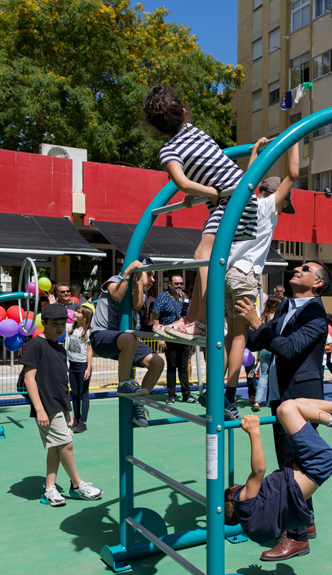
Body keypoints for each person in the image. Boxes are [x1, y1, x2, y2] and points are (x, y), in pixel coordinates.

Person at [143, 84, 260, 342]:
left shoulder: (169, 150)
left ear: (156, 128)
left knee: (202, 254)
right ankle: (193, 320)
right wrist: (203, 193)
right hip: (241, 198)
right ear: (184, 113)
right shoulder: (194, 131)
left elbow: (183, 182)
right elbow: (212, 165)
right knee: (202, 261)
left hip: (231, 200)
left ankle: (204, 322)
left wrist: (207, 191)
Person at [236, 260, 331, 561]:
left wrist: (256, 324)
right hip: (282, 397)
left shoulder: (315, 311)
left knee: (293, 468)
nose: (297, 269)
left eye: (306, 268)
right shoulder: (285, 306)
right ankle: (307, 521)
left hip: (300, 400)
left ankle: (297, 537)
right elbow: (259, 340)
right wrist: (241, 320)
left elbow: (288, 348)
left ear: (318, 283)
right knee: (295, 462)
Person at [225, 385, 332, 544]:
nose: (238, 486)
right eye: (233, 486)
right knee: (285, 409)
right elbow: (259, 470)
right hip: (315, 462)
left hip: (311, 467)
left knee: (298, 403)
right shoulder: (244, 502)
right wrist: (254, 431)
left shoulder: (253, 528)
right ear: (232, 495)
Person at [218, 139, 299, 420]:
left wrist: (253, 154)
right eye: (285, 201)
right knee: (240, 335)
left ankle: (217, 388)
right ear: (277, 195)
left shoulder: (244, 203)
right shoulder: (267, 209)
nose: (285, 206)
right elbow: (293, 175)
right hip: (245, 275)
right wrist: (295, 141)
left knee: (229, 335)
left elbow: (247, 181)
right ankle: (227, 395)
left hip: (226, 272)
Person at [20, 304, 103, 507]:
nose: (59, 327)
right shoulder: (35, 345)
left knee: (56, 448)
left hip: (61, 405)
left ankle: (49, 488)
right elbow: (29, 379)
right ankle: (77, 485)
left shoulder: (58, 346)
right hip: (47, 406)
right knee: (67, 444)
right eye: (54, 323)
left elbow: (61, 382)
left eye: (61, 323)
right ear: (44, 323)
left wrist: (69, 410)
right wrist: (39, 408)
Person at [88, 258, 165, 428]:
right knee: (130, 338)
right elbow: (116, 295)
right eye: (150, 274)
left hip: (124, 341)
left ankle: (139, 404)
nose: (153, 280)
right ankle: (124, 383)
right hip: (101, 336)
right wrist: (129, 273)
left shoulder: (141, 292)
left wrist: (138, 281)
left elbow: (136, 304)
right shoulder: (115, 280)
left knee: (158, 362)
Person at [150, 273, 197, 406]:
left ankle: (186, 394)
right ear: (169, 284)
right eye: (176, 284)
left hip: (182, 336)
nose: (179, 286)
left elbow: (187, 318)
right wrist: (160, 337)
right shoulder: (162, 297)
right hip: (168, 336)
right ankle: (171, 395)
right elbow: (155, 318)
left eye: (181, 284)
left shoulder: (185, 297)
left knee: (183, 367)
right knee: (171, 367)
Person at [65, 303, 96, 434]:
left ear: (85, 317)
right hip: (72, 365)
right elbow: (60, 318)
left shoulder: (88, 332)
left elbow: (89, 351)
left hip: (82, 365)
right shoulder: (70, 329)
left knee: (84, 394)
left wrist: (88, 368)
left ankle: (83, 421)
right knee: (75, 393)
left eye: (78, 312)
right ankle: (76, 419)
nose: (75, 314)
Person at [252, 296, 281, 411]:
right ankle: (272, 400)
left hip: (263, 348)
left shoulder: (262, 317)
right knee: (275, 375)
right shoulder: (278, 317)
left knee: (263, 375)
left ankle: (257, 401)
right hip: (274, 346)